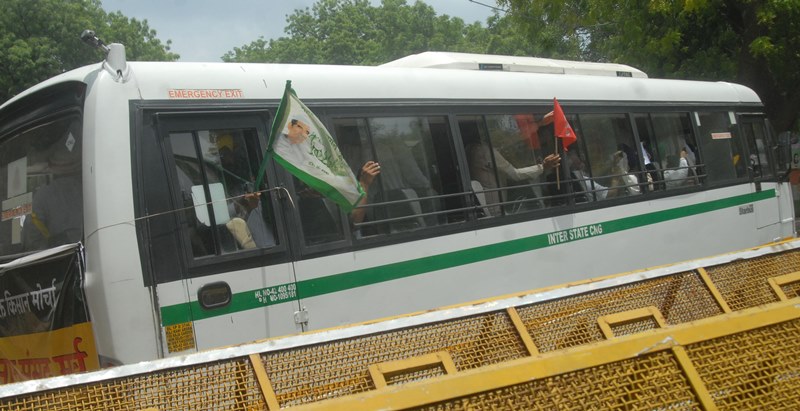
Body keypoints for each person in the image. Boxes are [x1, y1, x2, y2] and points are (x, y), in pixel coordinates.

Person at [464, 114, 560, 214]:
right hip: (496, 211)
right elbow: (515, 174)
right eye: (502, 133)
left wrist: (539, 124)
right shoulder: (486, 152)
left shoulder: (471, 148)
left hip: (489, 207)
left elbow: (508, 142)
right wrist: (543, 167)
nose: (506, 137)